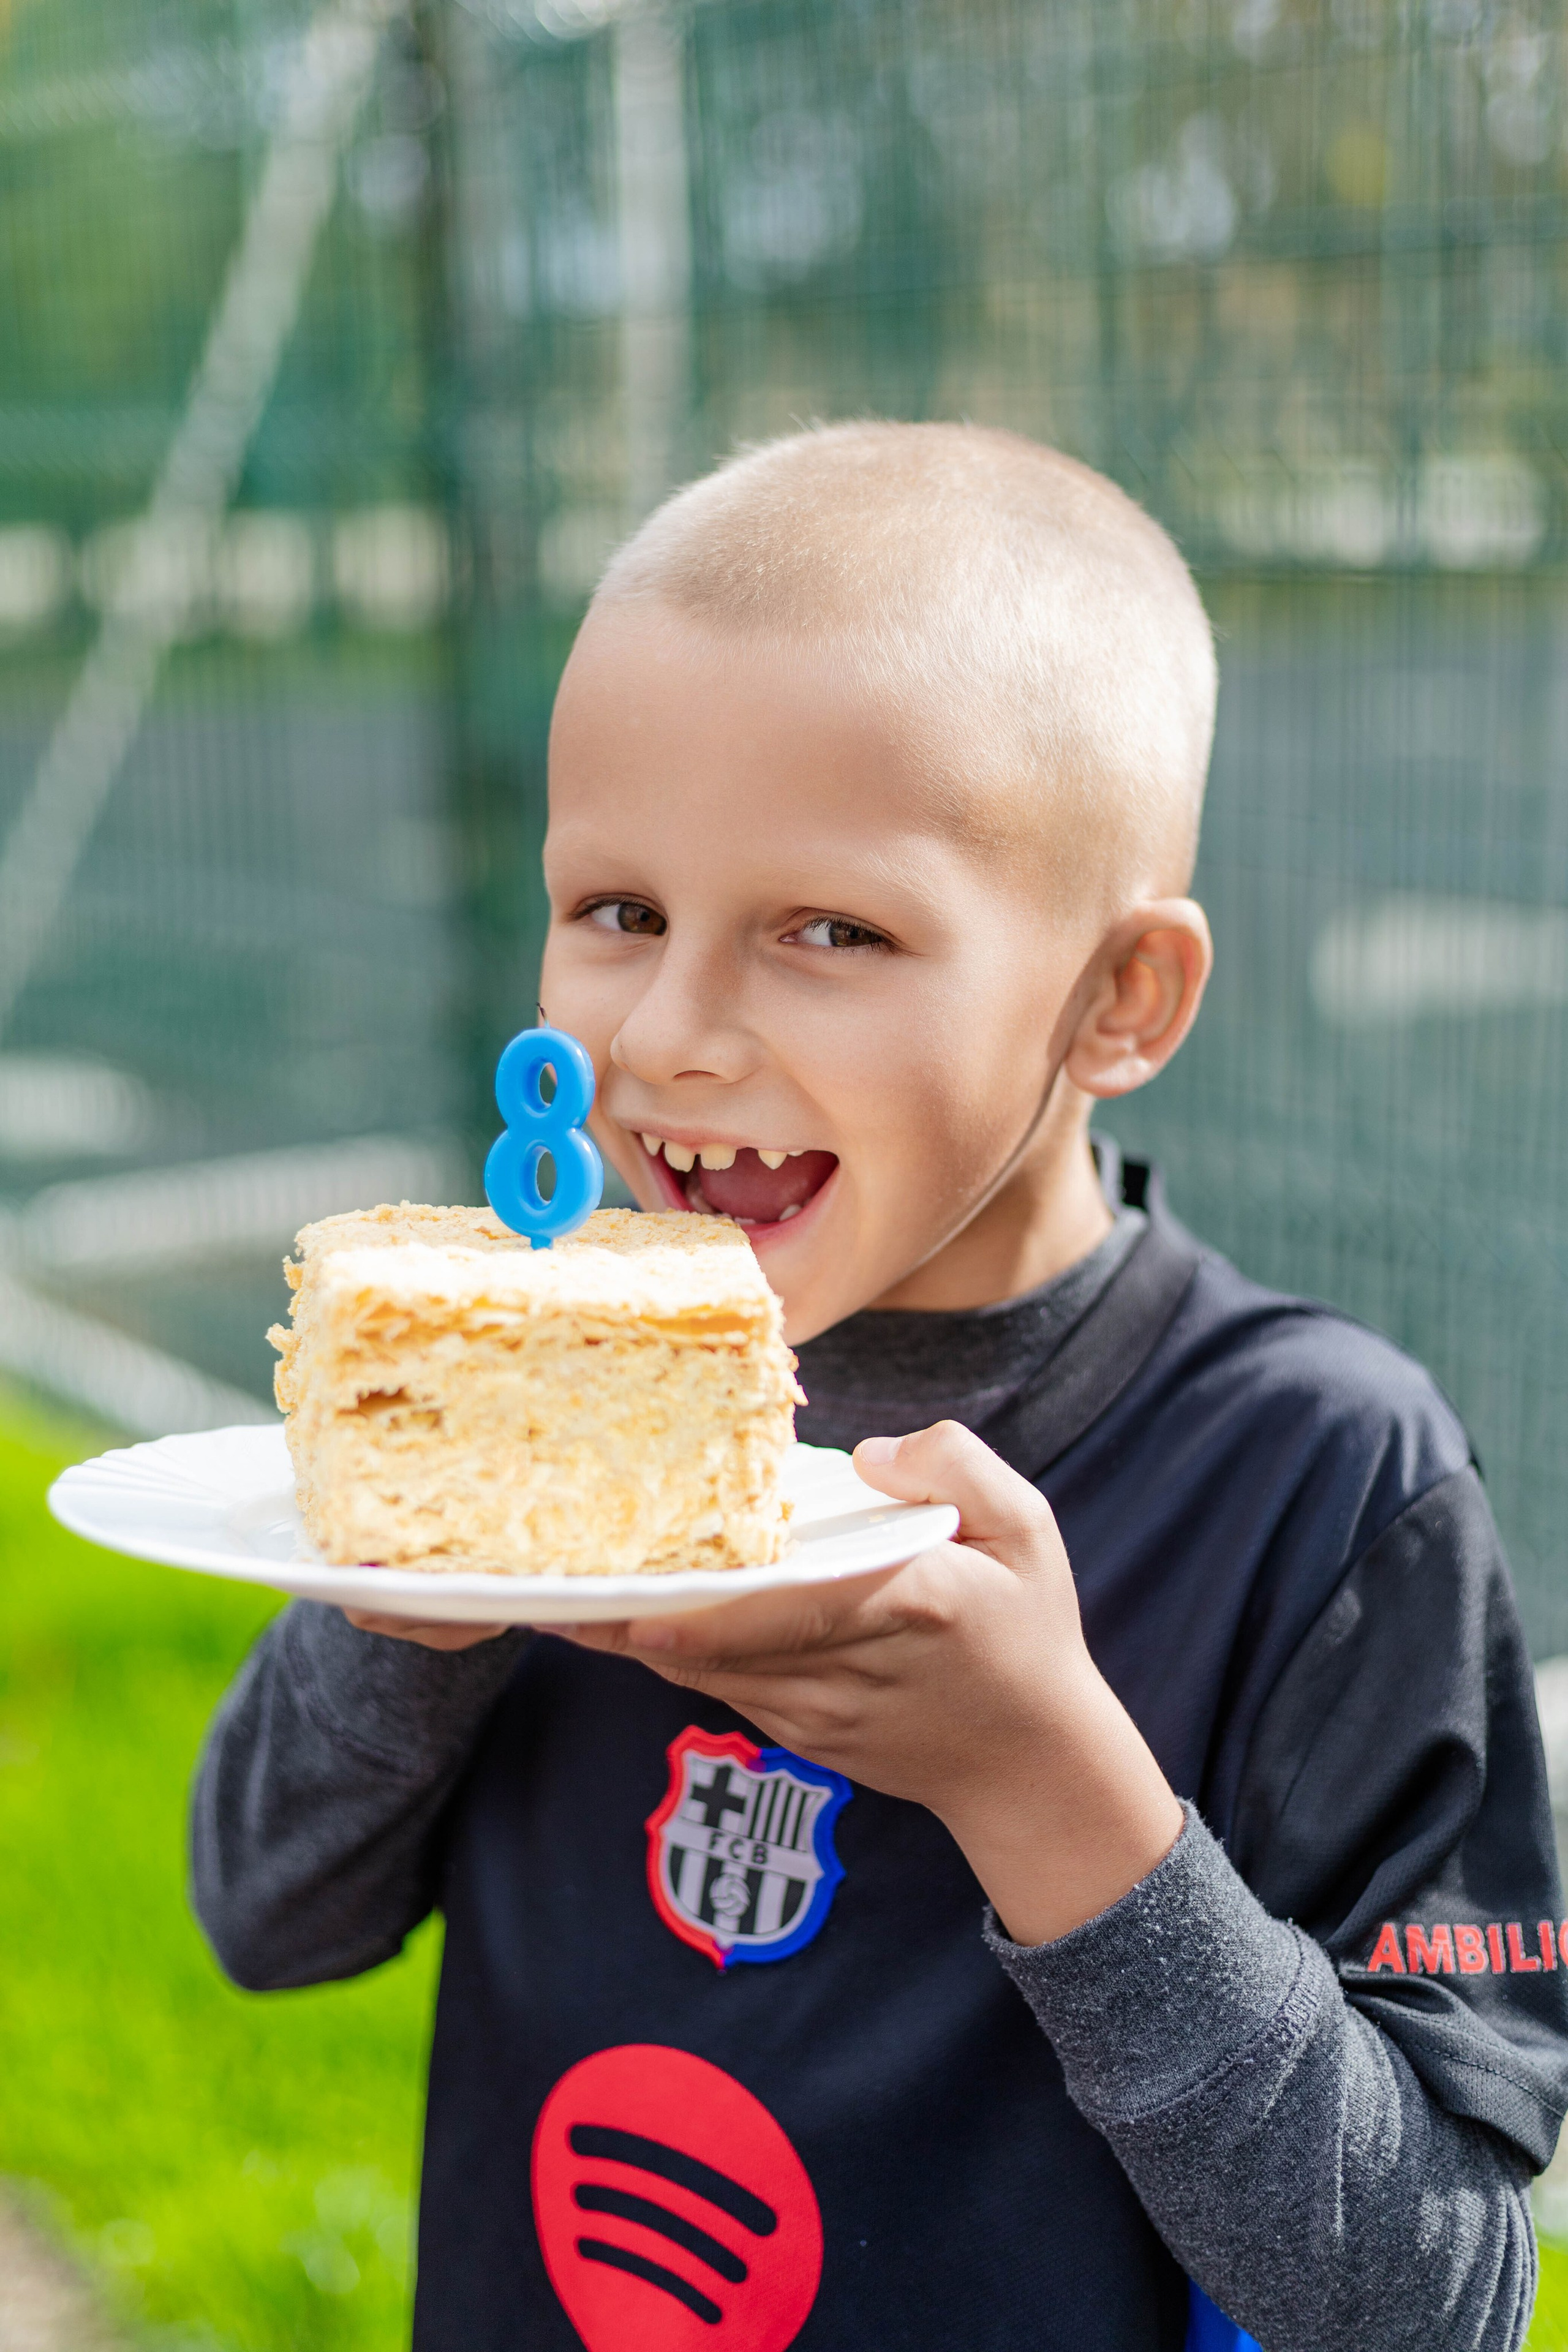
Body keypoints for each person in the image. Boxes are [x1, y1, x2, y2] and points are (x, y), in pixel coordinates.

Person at [191, 424, 1568, 2352]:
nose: (669, 1034)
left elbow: (1435, 2302)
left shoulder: (1321, 1483)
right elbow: (268, 1918)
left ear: (1120, 1003)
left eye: (831, 932)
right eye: (617, 911)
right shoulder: (544, 1372)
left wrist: (1049, 1789)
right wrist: (405, 1613)